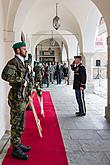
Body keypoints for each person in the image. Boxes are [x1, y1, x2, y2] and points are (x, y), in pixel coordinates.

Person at [1, 41, 32, 160]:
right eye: (24, 49)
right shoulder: (13, 62)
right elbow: (5, 76)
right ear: (18, 50)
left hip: (22, 97)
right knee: (15, 122)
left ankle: (17, 143)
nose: (26, 50)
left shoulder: (22, 62)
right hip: (16, 98)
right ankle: (15, 149)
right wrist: (20, 80)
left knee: (21, 123)